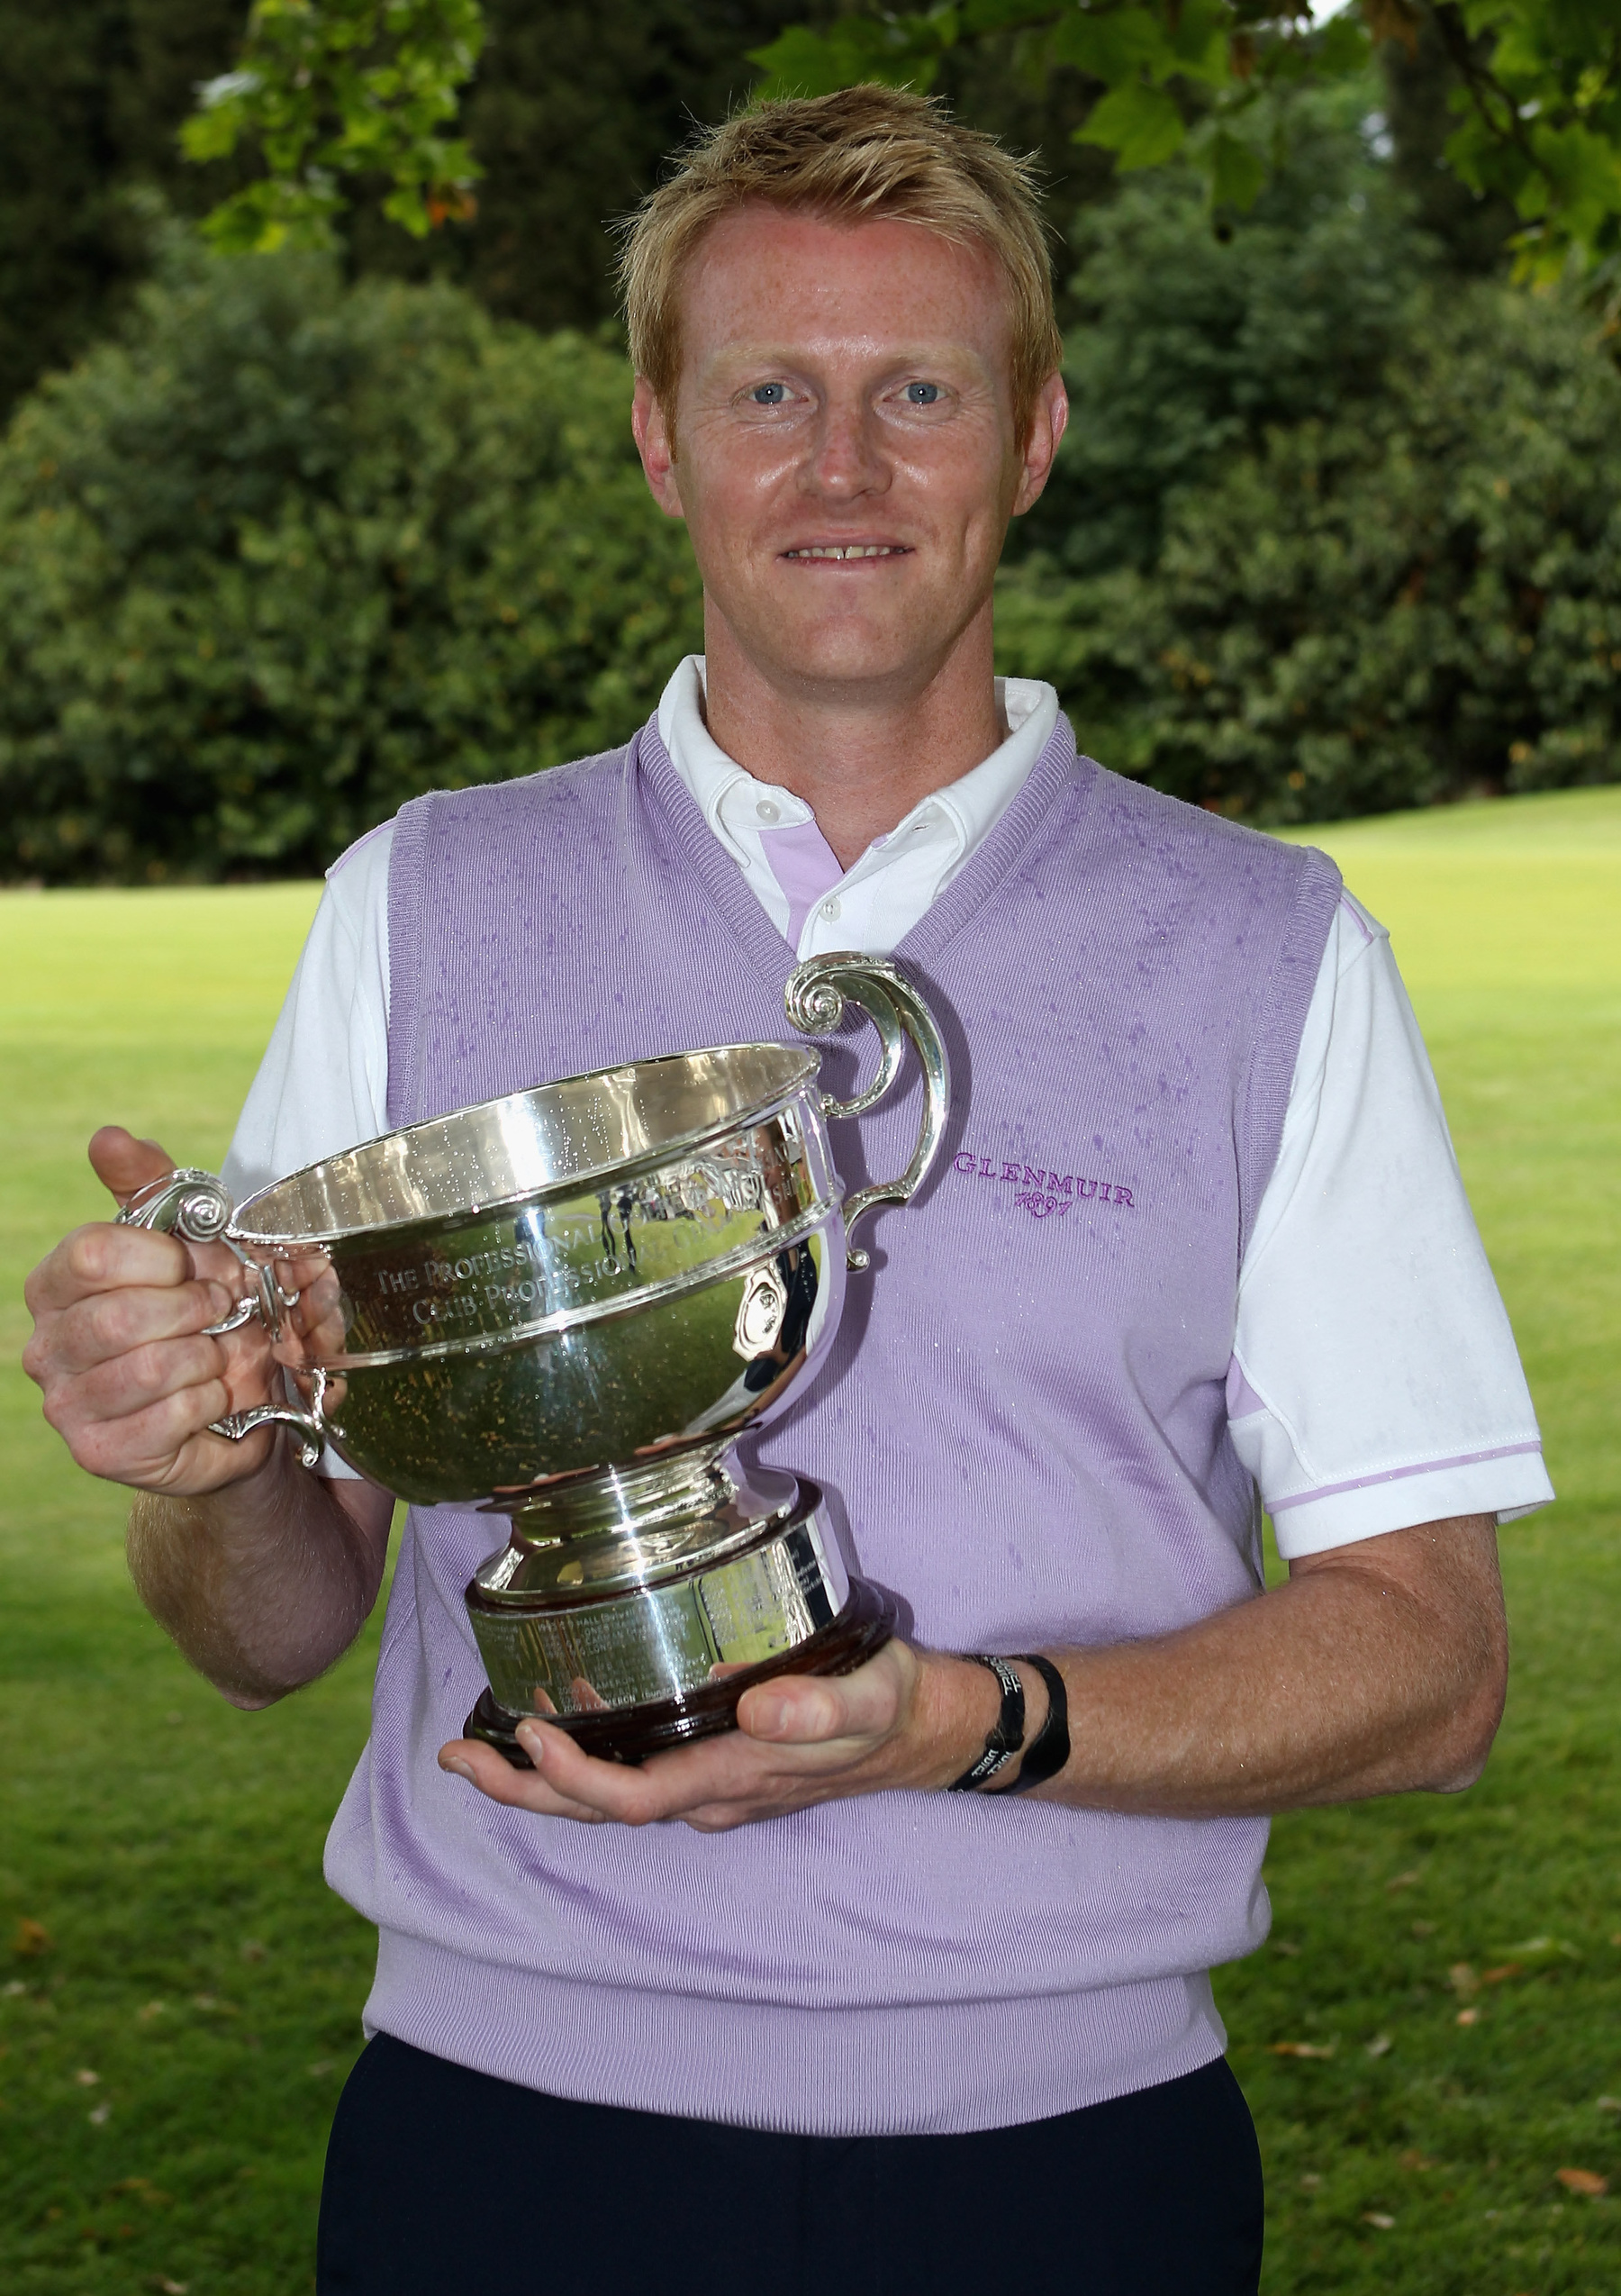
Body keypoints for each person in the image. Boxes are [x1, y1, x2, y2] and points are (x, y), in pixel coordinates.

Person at [23, 86, 1552, 2296]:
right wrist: (215, 1456)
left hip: (1067, 2170)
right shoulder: (422, 902)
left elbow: (1432, 1663)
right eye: (769, 394)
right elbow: (265, 1631)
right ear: (662, 440)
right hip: (507, 2156)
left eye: (918, 391)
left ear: (1032, 437)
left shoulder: (1270, 948)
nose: (842, 470)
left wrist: (959, 1725)